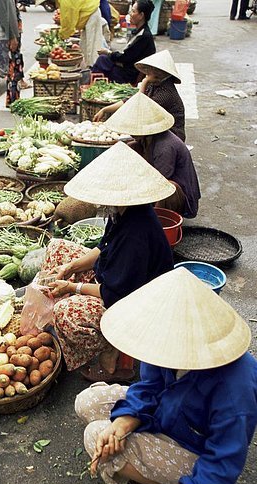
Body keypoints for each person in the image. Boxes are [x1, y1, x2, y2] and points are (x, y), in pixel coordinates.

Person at [75, 267, 257, 484]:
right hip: (167, 416)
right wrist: (122, 425)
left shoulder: (234, 387)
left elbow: (222, 466)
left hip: (195, 452)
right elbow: (149, 387)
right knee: (87, 402)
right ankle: (167, 483)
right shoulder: (162, 342)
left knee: (94, 436)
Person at [42, 141, 174, 382]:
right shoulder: (125, 212)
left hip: (138, 305)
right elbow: (103, 249)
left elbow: (114, 293)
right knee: (57, 247)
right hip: (119, 282)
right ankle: (60, 300)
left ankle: (112, 353)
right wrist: (70, 267)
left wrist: (72, 288)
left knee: (66, 312)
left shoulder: (136, 234)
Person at [105, 92, 200, 217]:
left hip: (182, 200)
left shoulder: (165, 146)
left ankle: (156, 219)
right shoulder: (148, 138)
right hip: (158, 180)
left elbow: (158, 182)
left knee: (168, 188)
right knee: (130, 148)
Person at [95, 49, 186, 142]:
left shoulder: (166, 92)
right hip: (156, 130)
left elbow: (139, 107)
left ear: (159, 72)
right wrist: (105, 109)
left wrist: (144, 82)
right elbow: (131, 100)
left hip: (170, 136)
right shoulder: (154, 84)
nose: (147, 72)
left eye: (151, 70)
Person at [91, 0, 155, 84]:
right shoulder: (139, 31)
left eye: (133, 11)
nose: (130, 14)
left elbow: (125, 58)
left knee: (102, 60)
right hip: (126, 68)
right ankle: (94, 82)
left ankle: (93, 84)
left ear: (141, 15)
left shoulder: (144, 36)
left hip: (129, 75)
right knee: (103, 60)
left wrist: (109, 53)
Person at [56, 0, 104, 67]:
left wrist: (62, 36)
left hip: (91, 14)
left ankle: (94, 69)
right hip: (88, 15)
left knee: (92, 49)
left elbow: (68, 23)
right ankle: (88, 66)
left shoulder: (65, 2)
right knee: (84, 47)